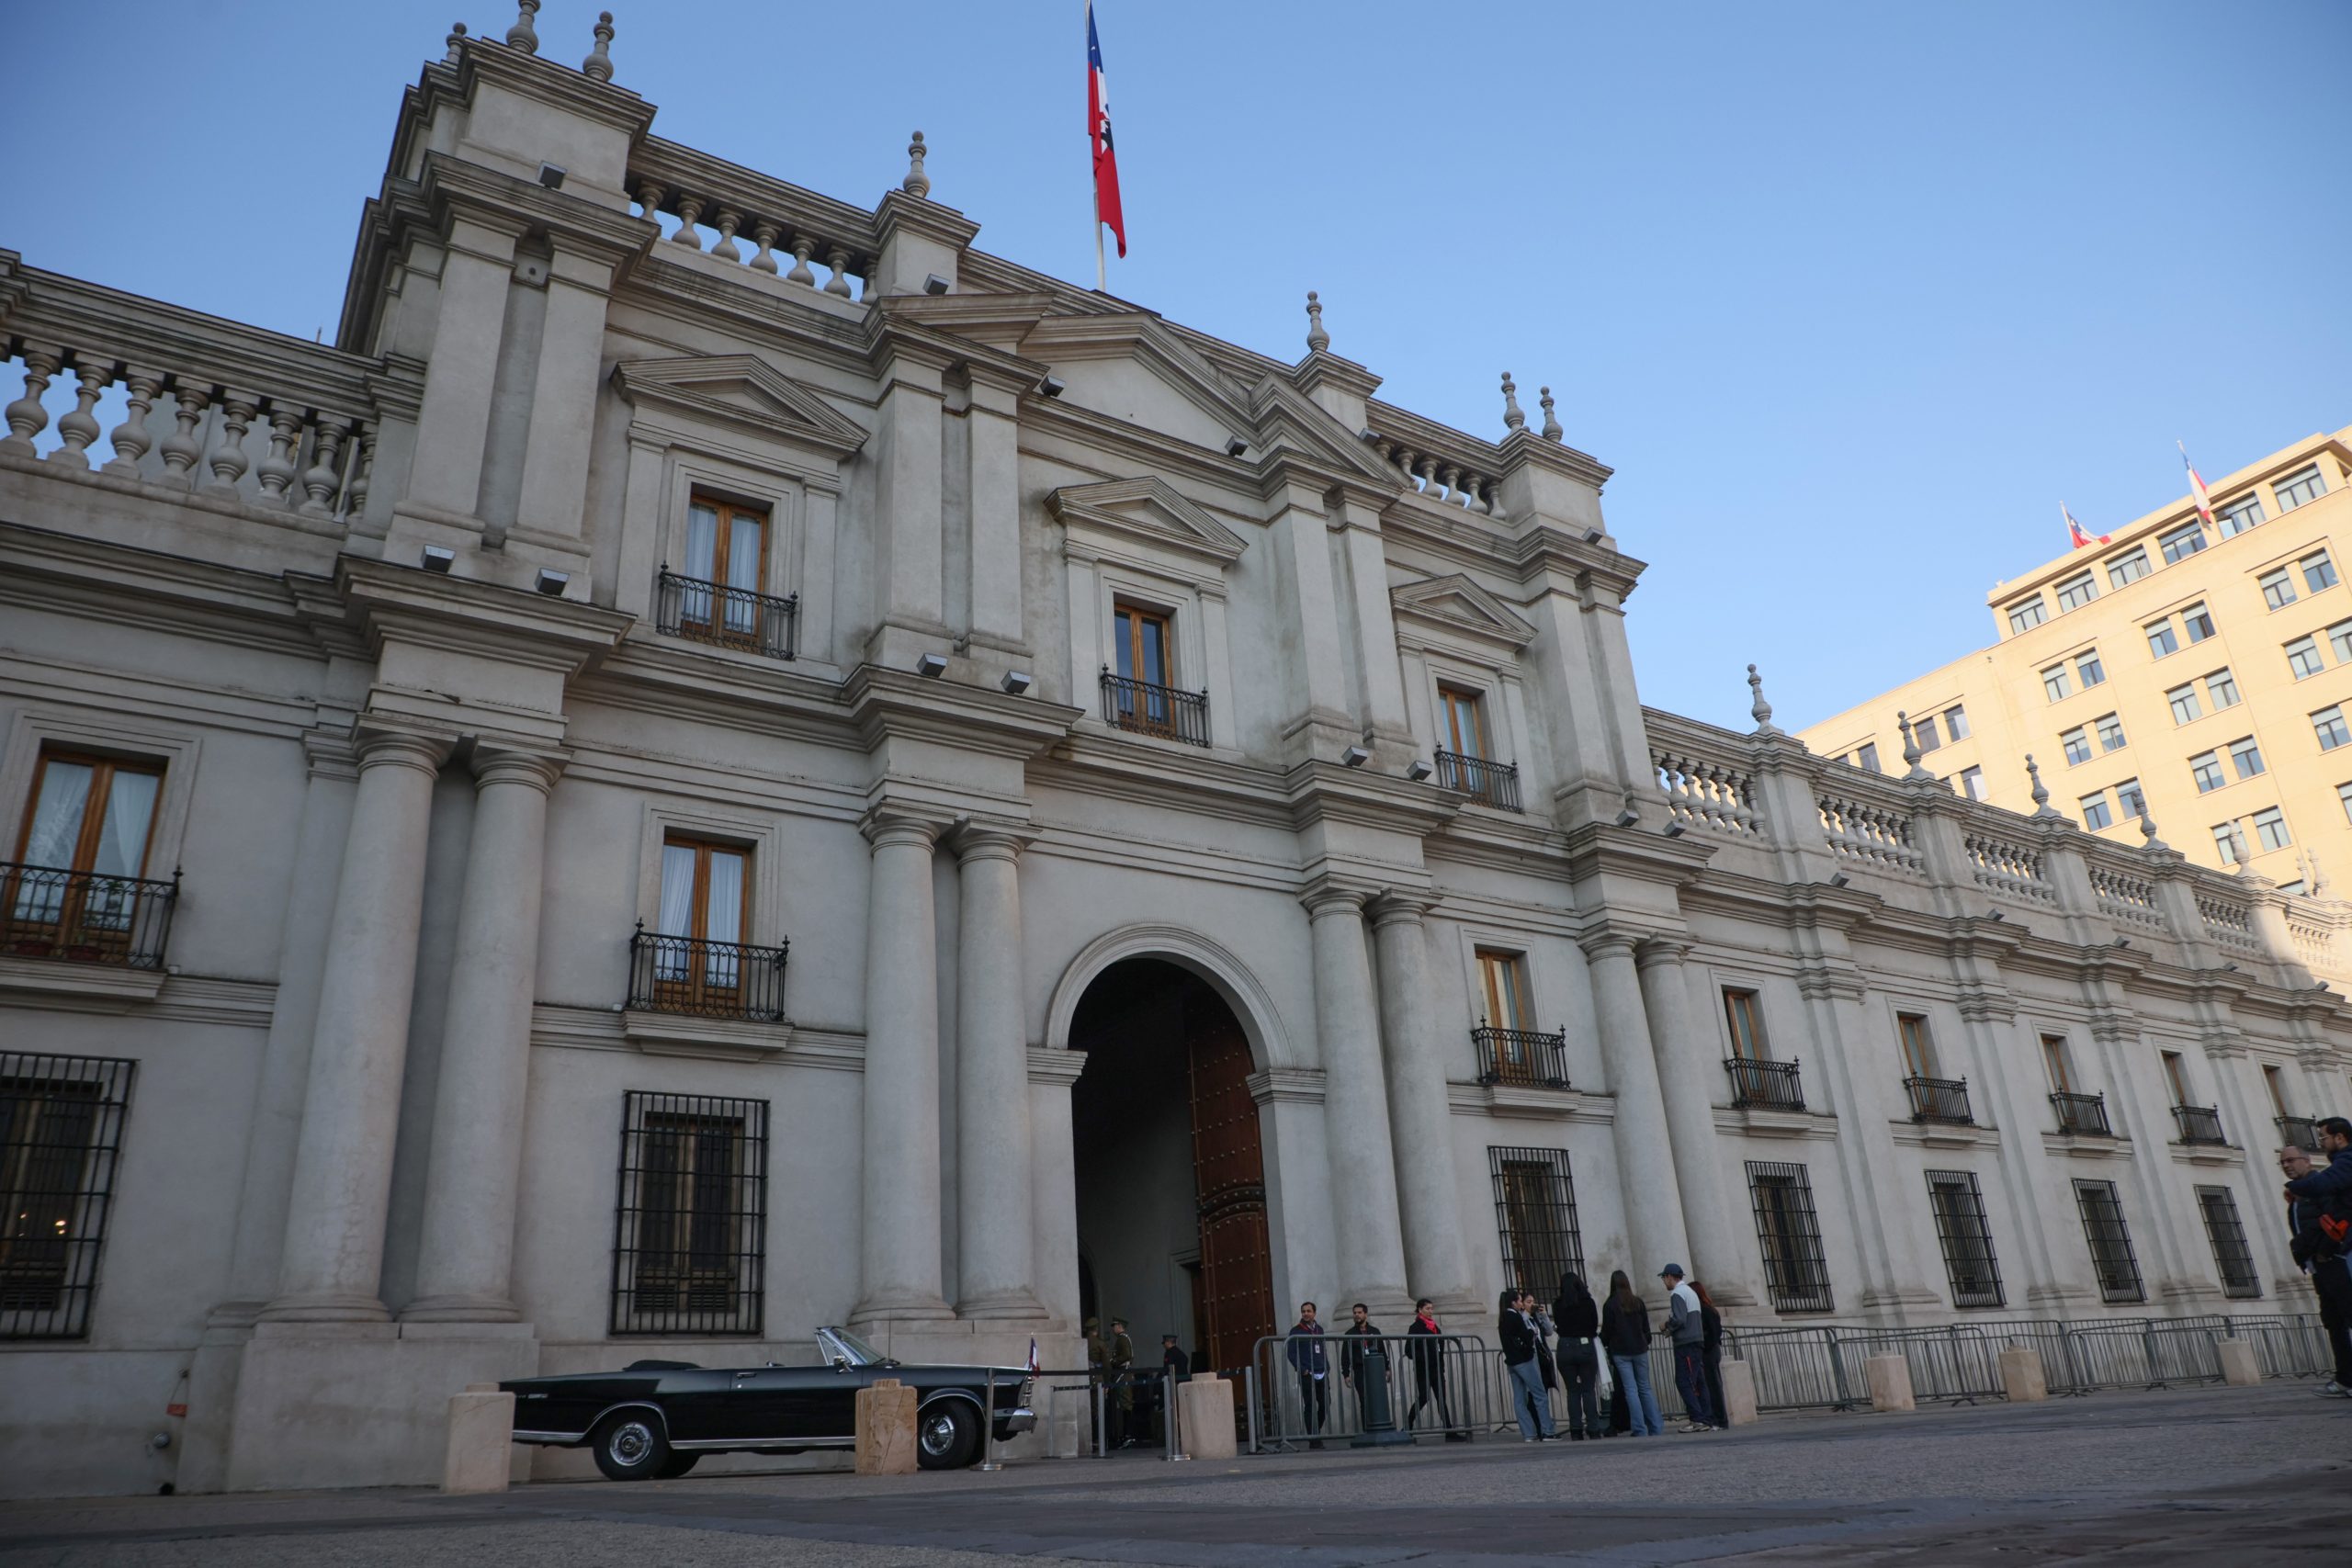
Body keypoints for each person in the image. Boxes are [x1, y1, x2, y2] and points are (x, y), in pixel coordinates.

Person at [2284, 1116, 2352, 1397]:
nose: (2287, 1166)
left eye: (2323, 1137)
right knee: (2333, 1321)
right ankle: (2345, 1378)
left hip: (2335, 1259)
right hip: (2320, 1265)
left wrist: (2325, 1252)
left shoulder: (2337, 1170)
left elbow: (2332, 1217)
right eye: (2283, 1163)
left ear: (2339, 1138)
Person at [1601, 1269, 1663, 1436]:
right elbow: (1645, 1328)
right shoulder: (1637, 1302)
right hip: (1640, 1349)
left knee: (1631, 1390)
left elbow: (1607, 1331)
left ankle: (1639, 1428)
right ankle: (1656, 1426)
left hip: (1620, 1351)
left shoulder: (1610, 1304)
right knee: (1645, 1388)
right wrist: (1645, 1341)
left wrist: (1605, 1344)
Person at [1660, 1264, 1714, 1432]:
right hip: (1697, 1341)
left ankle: (1697, 1419)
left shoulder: (1677, 1293)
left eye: (1664, 1278)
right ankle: (1706, 1417)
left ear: (1670, 1277)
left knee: (1684, 1381)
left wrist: (1666, 1326)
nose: (1663, 1281)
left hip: (1686, 1343)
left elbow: (1680, 1319)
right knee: (1698, 1381)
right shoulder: (1691, 1292)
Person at [1498, 1289, 1555, 1440]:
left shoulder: (1503, 1317)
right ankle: (1547, 1431)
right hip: (1524, 1360)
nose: (1521, 1304)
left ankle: (1529, 1433)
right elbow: (1525, 1335)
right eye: (1519, 1301)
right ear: (1513, 1302)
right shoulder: (1515, 1316)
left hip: (1512, 1362)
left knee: (1519, 1399)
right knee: (1539, 1394)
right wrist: (1532, 1333)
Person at [1406, 1298, 1466, 1440]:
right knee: (1423, 1398)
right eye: (1427, 1309)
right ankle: (1407, 1425)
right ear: (1420, 1310)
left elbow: (1440, 1348)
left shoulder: (1435, 1327)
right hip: (1423, 1369)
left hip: (1437, 1369)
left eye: (1431, 1308)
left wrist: (1441, 1366)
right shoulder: (1415, 1327)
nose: (1430, 1311)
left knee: (1441, 1399)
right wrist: (1424, 1358)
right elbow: (1409, 1350)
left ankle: (1449, 1432)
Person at [1551, 1270, 1602, 1440]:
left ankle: (1575, 1429)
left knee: (1572, 1391)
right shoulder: (1588, 1302)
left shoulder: (1558, 1304)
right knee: (1588, 1389)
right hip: (1585, 1344)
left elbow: (1558, 1324)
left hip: (1565, 1345)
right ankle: (1593, 1428)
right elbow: (1594, 1324)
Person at [1284, 1301, 1330, 1448]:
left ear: (1314, 1313)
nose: (1305, 1313)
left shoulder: (1320, 1329)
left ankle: (1315, 1432)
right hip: (1307, 1373)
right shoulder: (1296, 1331)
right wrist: (1302, 1369)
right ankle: (1314, 1439)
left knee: (1325, 1404)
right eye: (1303, 1311)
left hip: (1321, 1372)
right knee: (1310, 1405)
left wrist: (1327, 1366)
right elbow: (1291, 1353)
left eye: (1308, 1311)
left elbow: (1322, 1348)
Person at [1339, 1302, 1384, 1430]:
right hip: (1360, 1370)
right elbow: (1345, 1355)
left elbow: (1382, 1350)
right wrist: (1346, 1374)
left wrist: (1386, 1368)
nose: (1356, 1315)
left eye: (1359, 1313)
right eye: (1354, 1313)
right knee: (1364, 1400)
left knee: (1377, 1399)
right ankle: (1367, 1429)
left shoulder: (1375, 1331)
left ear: (1365, 1314)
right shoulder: (1350, 1334)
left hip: (1375, 1370)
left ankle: (1379, 1426)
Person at [1692, 1278, 1728, 1430]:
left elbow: (1715, 1333)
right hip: (1710, 1350)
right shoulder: (1707, 1309)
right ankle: (1716, 1418)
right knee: (1710, 1386)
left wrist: (1704, 1346)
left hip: (1709, 1351)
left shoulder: (1706, 1310)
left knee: (1713, 1387)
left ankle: (1720, 1420)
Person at [1106, 1316, 1137, 1446]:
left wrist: (1113, 1361)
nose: (1113, 1328)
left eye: (1114, 1326)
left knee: (1125, 1404)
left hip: (1123, 1374)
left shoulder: (1122, 1339)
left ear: (1119, 1326)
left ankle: (1128, 1434)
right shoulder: (1124, 1338)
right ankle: (1126, 1434)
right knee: (1125, 1403)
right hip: (1124, 1373)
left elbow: (1126, 1356)